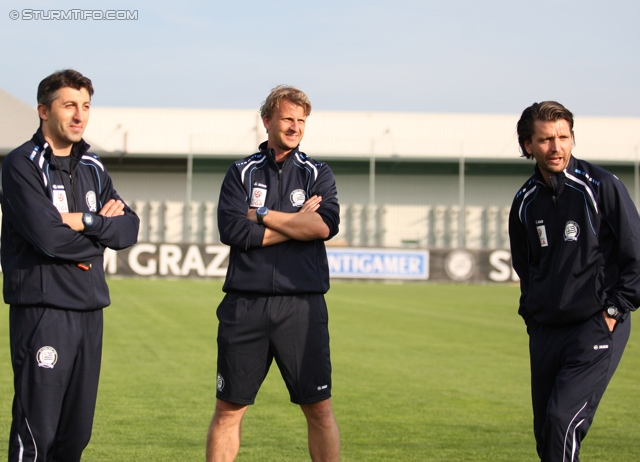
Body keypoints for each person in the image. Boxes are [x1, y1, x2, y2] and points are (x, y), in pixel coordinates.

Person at [1, 69, 140, 461]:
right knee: (37, 434)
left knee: (74, 437)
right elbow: (48, 238)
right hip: (44, 313)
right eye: (69, 106)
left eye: (85, 106)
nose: (79, 115)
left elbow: (129, 229)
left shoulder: (93, 167)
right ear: (44, 111)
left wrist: (87, 221)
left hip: (89, 312)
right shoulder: (21, 166)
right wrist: (101, 236)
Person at [206, 85, 341, 462]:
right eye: (287, 119)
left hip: (302, 307)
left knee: (319, 409)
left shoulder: (318, 174)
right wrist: (295, 223)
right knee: (228, 410)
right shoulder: (240, 172)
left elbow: (323, 227)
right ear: (267, 121)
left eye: (301, 121)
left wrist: (262, 214)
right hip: (244, 306)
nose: (295, 127)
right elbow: (231, 231)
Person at [509, 101, 640, 461]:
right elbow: (526, 268)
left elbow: (637, 256)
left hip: (594, 325)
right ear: (527, 145)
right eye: (546, 139)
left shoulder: (602, 187)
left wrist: (613, 311)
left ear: (572, 138)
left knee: (561, 421)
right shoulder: (524, 202)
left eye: (563, 137)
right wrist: (532, 316)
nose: (556, 147)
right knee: (547, 436)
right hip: (547, 331)